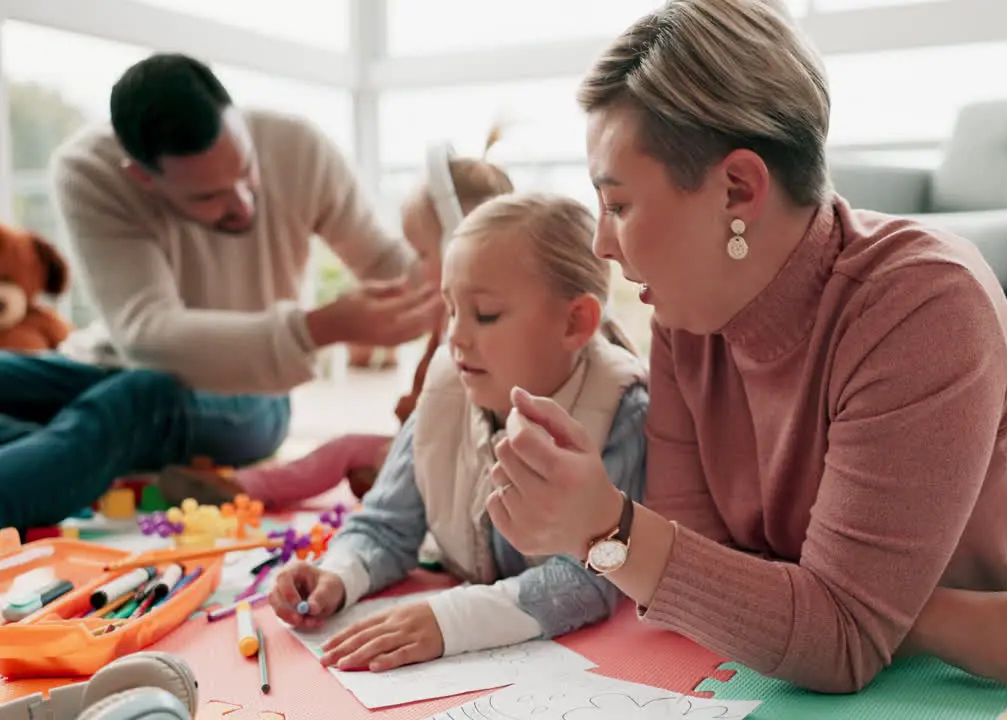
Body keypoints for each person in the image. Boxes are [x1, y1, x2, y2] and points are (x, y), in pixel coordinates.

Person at [484, 0, 1007, 696]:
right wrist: (935, 622)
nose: (601, 244)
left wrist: (606, 528)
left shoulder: (929, 305)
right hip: (940, 399)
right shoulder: (686, 310)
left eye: (617, 204)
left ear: (738, 188)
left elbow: (833, 640)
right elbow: (700, 577)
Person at [0, 53, 437, 532]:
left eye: (246, 171)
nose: (243, 203)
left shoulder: (297, 147)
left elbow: (384, 263)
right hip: (115, 365)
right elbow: (147, 332)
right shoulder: (89, 170)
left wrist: (457, 269)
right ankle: (80, 455)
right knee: (99, 391)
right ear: (142, 177)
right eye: (208, 197)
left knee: (139, 400)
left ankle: (72, 456)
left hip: (250, 394)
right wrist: (319, 327)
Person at [268, 193, 649, 671]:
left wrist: (447, 621)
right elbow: (386, 525)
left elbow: (593, 579)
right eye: (451, 311)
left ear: (575, 323)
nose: (456, 336)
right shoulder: (447, 387)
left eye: (485, 314)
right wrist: (337, 575)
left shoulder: (623, 409)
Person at [159, 129, 515, 507]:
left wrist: (416, 419)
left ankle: (262, 487)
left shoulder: (487, 334)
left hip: (464, 464)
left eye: (421, 253)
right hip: (425, 449)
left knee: (352, 456)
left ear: (458, 249)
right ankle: (242, 487)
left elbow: (475, 417)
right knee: (345, 450)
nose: (412, 266)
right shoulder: (450, 321)